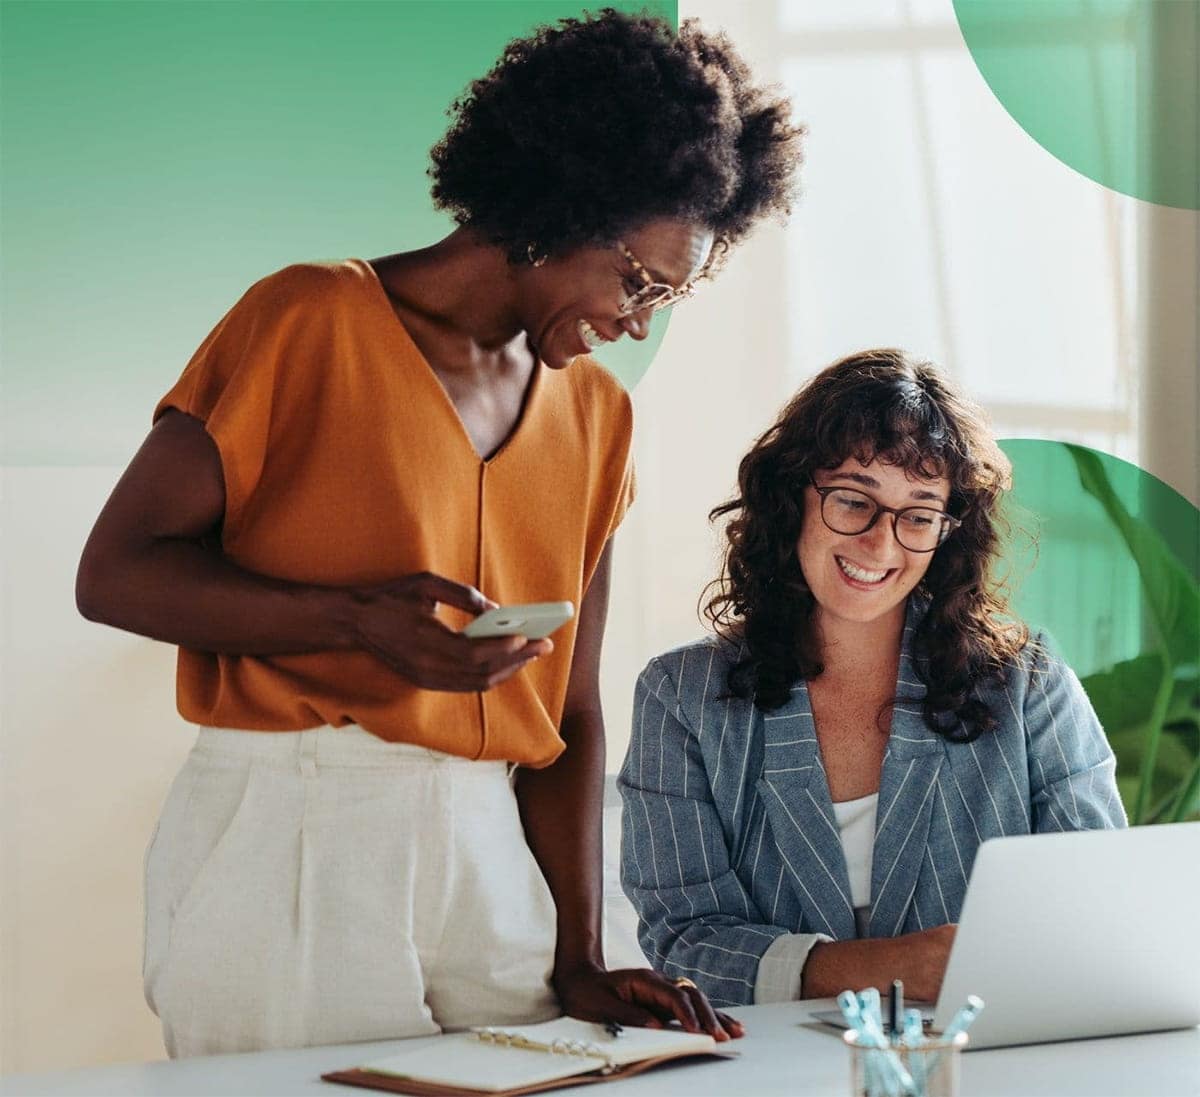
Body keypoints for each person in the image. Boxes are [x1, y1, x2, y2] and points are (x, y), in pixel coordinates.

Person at [75, 9, 803, 1057]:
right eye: (637, 280)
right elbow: (115, 573)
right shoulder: (308, 320)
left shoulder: (599, 416)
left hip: (488, 843)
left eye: (668, 297)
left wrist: (581, 953)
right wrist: (350, 621)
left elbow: (571, 710)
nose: (638, 318)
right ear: (563, 206)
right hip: (296, 823)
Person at [619, 348, 1125, 1007]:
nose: (881, 545)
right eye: (854, 500)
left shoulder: (1029, 685)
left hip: (982, 1056)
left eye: (918, 514)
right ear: (791, 495)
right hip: (770, 1066)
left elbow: (1092, 908)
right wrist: (888, 965)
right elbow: (685, 943)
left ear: (949, 531)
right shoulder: (681, 695)